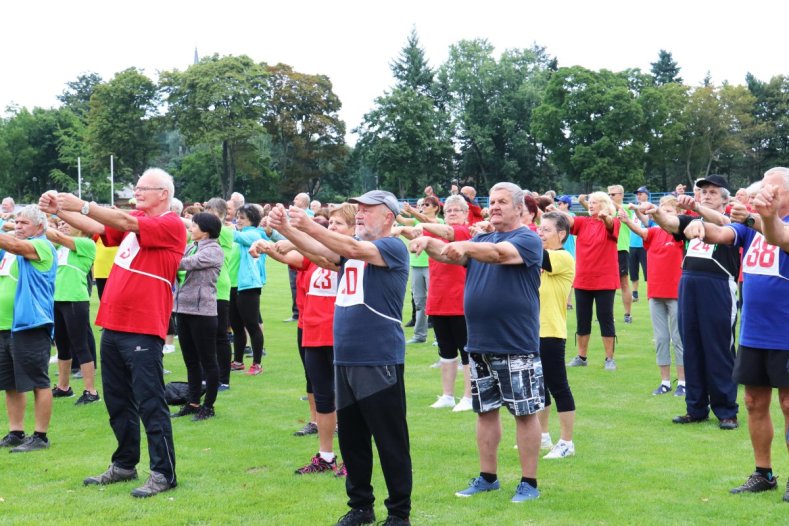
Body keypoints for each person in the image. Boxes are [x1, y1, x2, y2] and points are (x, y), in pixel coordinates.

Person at [269, 190, 411, 526]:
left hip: (378, 359)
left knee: (390, 440)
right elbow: (324, 257)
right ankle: (361, 506)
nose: (360, 214)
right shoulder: (356, 251)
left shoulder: (391, 246)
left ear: (388, 216)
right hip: (345, 359)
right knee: (352, 439)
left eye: (368, 210)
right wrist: (289, 229)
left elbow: (348, 248)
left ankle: (399, 513)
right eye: (358, 209)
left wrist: (308, 224)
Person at [40, 167, 185, 497]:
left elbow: (125, 222)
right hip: (115, 325)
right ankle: (124, 464)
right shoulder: (135, 222)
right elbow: (98, 229)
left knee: (150, 402)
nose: (137, 191)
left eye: (143, 188)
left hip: (143, 326)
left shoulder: (170, 223)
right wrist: (60, 211)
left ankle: (164, 473)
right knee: (118, 401)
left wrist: (82, 204)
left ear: (164, 193)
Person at [411, 182, 545, 503]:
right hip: (479, 342)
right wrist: (427, 241)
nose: (494, 207)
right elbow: (449, 255)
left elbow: (498, 255)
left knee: (524, 413)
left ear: (518, 208)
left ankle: (529, 483)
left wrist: (467, 246)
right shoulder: (482, 238)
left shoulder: (526, 238)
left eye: (502, 202)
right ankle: (488, 477)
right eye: (492, 202)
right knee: (485, 412)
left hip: (515, 342)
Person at [683, 168, 789, 497]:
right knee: (754, 402)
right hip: (754, 332)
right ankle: (763, 473)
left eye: (775, 188)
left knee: (788, 404)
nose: (767, 193)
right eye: (765, 187)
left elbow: (778, 237)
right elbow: (724, 234)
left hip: (785, 334)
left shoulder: (771, 225)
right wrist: (702, 227)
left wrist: (762, 217)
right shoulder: (751, 226)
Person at [647, 174, 740, 430]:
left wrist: (697, 207)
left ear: (725, 199)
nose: (706, 195)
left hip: (718, 285)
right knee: (692, 346)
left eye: (712, 192)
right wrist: (655, 212)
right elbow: (670, 222)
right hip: (688, 283)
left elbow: (724, 223)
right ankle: (696, 407)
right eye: (703, 191)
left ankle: (726, 410)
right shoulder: (692, 221)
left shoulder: (732, 222)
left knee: (719, 348)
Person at [405, 195, 473, 411]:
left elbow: (444, 233)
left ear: (465, 214)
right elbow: (416, 234)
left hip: (461, 301)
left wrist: (420, 225)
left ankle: (469, 396)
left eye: (457, 210)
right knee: (445, 351)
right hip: (439, 299)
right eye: (449, 210)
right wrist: (401, 231)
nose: (452, 213)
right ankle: (447, 395)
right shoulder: (436, 230)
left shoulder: (464, 232)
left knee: (467, 352)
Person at [0, 205, 57, 452]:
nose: (18, 226)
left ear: (40, 227)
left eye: (23, 223)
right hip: (5, 325)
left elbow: (15, 246)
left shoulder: (42, 246)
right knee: (10, 383)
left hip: (30, 324)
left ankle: (40, 437)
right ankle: (16, 431)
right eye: (16, 222)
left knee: (37, 381)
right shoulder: (12, 250)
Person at [619, 197, 686, 395]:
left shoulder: (680, 235)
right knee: (661, 338)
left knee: (678, 339)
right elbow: (640, 231)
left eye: (669, 211)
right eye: (662, 211)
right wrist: (627, 220)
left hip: (676, 294)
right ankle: (665, 381)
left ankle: (683, 382)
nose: (664, 215)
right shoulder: (654, 232)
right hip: (655, 293)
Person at [172, 212, 224, 421]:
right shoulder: (192, 246)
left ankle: (208, 405)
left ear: (206, 231)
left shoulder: (214, 250)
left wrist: (164, 257)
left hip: (203, 312)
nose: (190, 229)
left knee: (208, 361)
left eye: (194, 226)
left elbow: (184, 263)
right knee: (191, 360)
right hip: (184, 309)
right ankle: (193, 402)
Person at [536, 211, 577, 459]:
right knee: (539, 388)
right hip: (532, 332)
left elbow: (536, 255)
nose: (540, 233)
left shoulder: (562, 257)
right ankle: (542, 436)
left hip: (551, 332)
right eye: (539, 228)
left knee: (558, 387)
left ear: (561, 234)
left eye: (546, 229)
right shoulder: (540, 258)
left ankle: (566, 442)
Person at [564, 192, 620, 370]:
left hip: (604, 279)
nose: (590, 205)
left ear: (604, 205)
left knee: (605, 318)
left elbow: (611, 225)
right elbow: (568, 221)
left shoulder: (613, 222)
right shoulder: (583, 222)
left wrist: (605, 218)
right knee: (582, 319)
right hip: (583, 279)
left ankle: (609, 359)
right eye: (590, 202)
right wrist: (556, 210)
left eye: (595, 202)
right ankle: (581, 356)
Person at [47, 219, 99, 404]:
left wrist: (36, 224)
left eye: (68, 222)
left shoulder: (86, 243)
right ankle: (63, 387)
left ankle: (91, 391)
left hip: (75, 300)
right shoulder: (62, 248)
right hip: (58, 299)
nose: (63, 225)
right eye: (61, 223)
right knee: (62, 344)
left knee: (81, 345)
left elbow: (56, 236)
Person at [397, 195, 441, 344]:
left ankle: (439, 336)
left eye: (427, 205)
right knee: (419, 302)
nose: (423, 207)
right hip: (416, 265)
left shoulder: (439, 222)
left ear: (436, 208)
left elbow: (427, 222)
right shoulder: (416, 221)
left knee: (435, 301)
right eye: (422, 205)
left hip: (431, 265)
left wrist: (412, 210)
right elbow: (401, 221)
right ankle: (419, 335)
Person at [228, 205, 265, 375]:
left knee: (252, 325)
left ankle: (257, 363)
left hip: (248, 286)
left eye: (242, 217)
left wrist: (217, 222)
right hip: (233, 286)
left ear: (251, 220)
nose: (238, 220)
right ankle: (238, 361)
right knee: (236, 326)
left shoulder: (254, 234)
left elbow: (235, 235)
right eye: (238, 217)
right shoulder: (240, 234)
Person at [203, 198, 234, 391]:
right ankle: (209, 376)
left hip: (219, 288)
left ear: (220, 214)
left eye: (210, 212)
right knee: (205, 336)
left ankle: (224, 379)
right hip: (204, 288)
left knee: (220, 336)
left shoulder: (227, 232)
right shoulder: (203, 234)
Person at [629, 186, 650, 302]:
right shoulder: (633, 209)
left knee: (648, 271)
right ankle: (635, 293)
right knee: (633, 270)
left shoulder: (649, 208)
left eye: (641, 194)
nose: (638, 196)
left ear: (646, 195)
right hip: (632, 244)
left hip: (644, 244)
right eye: (637, 194)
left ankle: (650, 293)